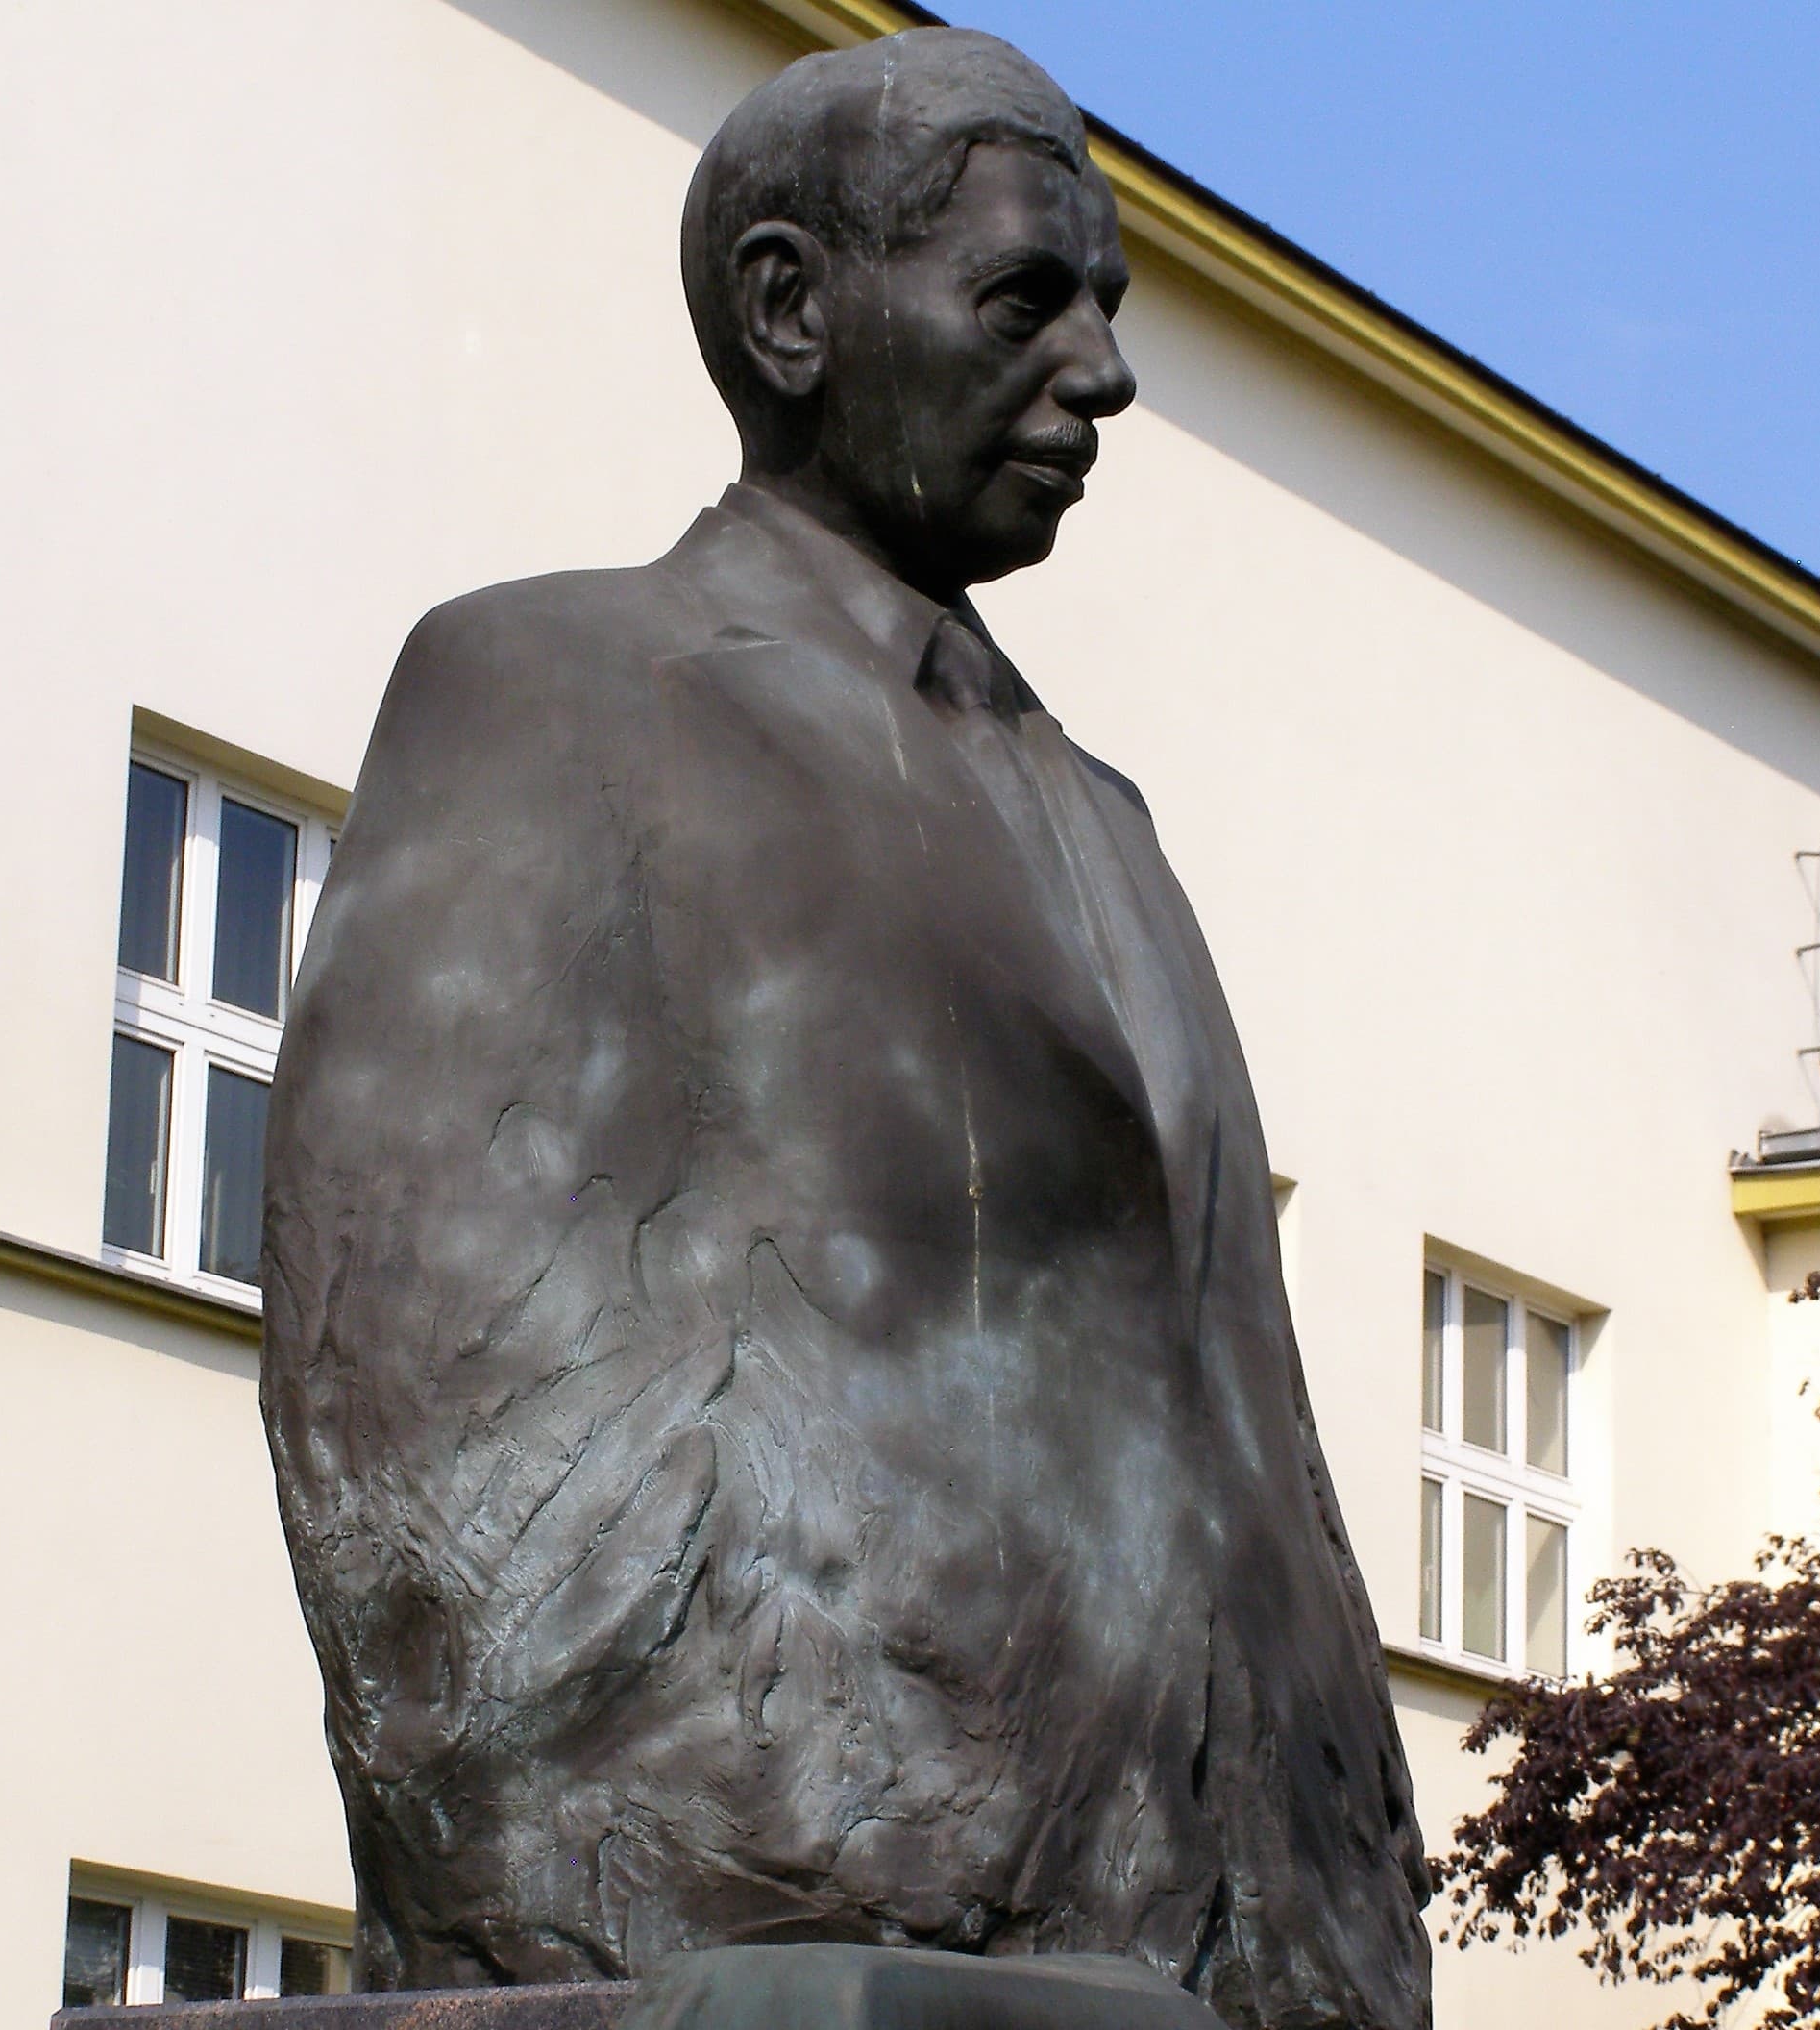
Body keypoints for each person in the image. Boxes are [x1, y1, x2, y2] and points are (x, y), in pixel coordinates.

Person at [261, 30, 1430, 2030]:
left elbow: (1246, 1426)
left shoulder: (1110, 824)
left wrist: (1338, 1921)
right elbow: (416, 1381)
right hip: (816, 1915)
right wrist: (742, 1918)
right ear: (791, 309)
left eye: (1110, 307)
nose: (1106, 372)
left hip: (1206, 1968)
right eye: (1023, 300)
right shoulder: (556, 692)